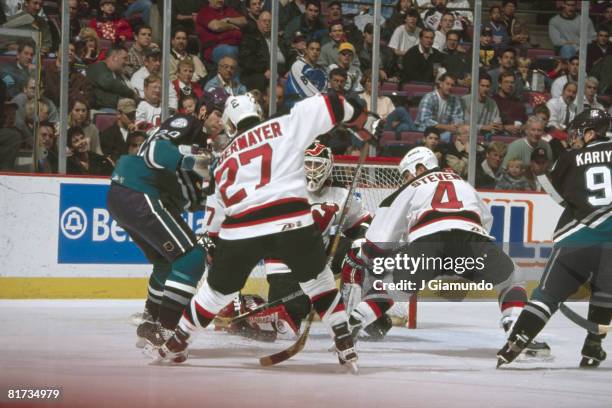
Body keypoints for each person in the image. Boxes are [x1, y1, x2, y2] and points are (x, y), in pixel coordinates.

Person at [149, 92, 383, 370]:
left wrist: (213, 243)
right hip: (290, 219)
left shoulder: (223, 158)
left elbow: (214, 210)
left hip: (240, 229)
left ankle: (176, 342)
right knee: (318, 282)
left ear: (231, 126)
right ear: (258, 113)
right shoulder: (284, 124)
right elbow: (331, 102)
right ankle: (344, 342)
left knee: (215, 293)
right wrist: (360, 119)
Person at [341, 146, 548, 357]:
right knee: (513, 279)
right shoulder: (463, 182)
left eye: (407, 174)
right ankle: (516, 330)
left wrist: (369, 257)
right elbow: (485, 221)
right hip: (471, 240)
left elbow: (379, 240)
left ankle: (356, 319)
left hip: (427, 242)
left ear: (420, 167)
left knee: (395, 286)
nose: (406, 180)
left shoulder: (409, 188)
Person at [214, 142, 374, 341]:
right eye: (308, 164)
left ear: (329, 166)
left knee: (362, 252)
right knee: (286, 328)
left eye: (318, 165)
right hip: (284, 264)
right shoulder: (282, 189)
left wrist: (360, 240)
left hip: (321, 256)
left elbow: (364, 223)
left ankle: (359, 318)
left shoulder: (341, 193)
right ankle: (249, 306)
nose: (312, 170)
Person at [107, 90, 227, 350]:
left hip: (127, 196)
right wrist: (190, 162)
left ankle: (150, 322)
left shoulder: (207, 149)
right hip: (141, 190)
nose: (221, 121)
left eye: (225, 117)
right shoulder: (188, 123)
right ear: (203, 110)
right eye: (218, 113)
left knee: (166, 261)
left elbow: (194, 196)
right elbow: (155, 150)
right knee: (192, 258)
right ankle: (166, 328)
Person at [497, 109, 612, 368]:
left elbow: (558, 197)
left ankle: (514, 344)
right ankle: (593, 346)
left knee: (545, 296)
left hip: (577, 238)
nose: (574, 139)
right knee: (605, 293)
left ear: (592, 132)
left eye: (579, 133)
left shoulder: (570, 157)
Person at [414, 73, 464, 142]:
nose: (450, 87)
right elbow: (425, 120)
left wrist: (455, 125)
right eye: (447, 84)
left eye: (452, 85)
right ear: (441, 84)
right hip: (425, 132)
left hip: (443, 133)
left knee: (459, 134)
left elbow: (459, 118)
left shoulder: (455, 100)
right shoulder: (429, 97)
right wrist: (447, 127)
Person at [87, 46, 136, 111]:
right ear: (113, 58)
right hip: (98, 109)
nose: (127, 62)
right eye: (124, 58)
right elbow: (108, 83)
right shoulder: (98, 68)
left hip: (112, 107)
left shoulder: (116, 73)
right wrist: (132, 94)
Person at [284, 39, 327, 109]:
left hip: (314, 106)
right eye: (312, 49)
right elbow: (306, 90)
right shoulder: (297, 66)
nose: (315, 52)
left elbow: (325, 89)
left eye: (318, 50)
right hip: (295, 105)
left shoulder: (321, 69)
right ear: (306, 50)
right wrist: (322, 100)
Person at [461, 74, 503, 139]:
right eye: (482, 86)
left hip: (485, 137)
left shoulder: (492, 103)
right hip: (467, 136)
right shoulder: (464, 100)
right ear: (477, 85)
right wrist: (483, 127)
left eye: (487, 86)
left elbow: (496, 121)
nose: (485, 89)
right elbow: (463, 125)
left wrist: (497, 126)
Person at [100, 98, 142, 163]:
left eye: (134, 114)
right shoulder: (107, 134)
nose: (133, 118)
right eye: (129, 115)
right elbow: (107, 157)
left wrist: (136, 135)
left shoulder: (136, 133)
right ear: (119, 114)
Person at [492, 71, 527, 136]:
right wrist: (506, 128)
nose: (509, 85)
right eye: (506, 82)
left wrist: (521, 128)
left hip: (517, 137)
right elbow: (491, 124)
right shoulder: (493, 101)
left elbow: (526, 123)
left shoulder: (518, 103)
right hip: (498, 137)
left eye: (512, 82)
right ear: (499, 84)